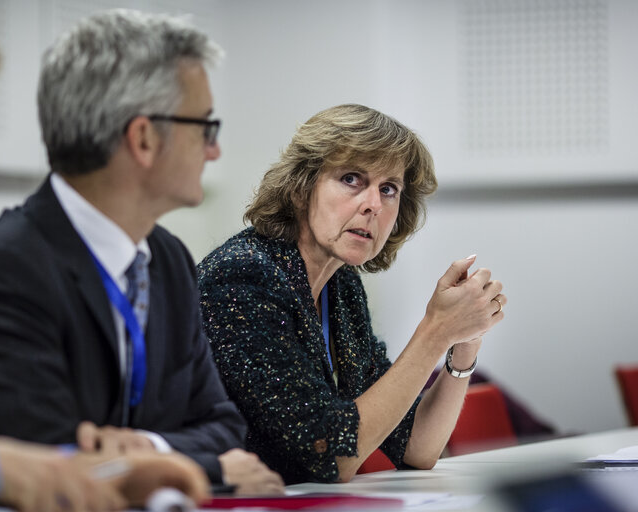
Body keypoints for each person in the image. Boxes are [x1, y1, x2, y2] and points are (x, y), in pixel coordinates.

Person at [0, 8, 283, 495]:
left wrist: (145, 448)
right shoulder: (0, 269)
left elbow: (223, 424)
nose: (214, 151)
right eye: (204, 127)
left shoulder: (167, 260)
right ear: (143, 138)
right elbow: (54, 464)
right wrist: (211, 469)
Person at [197, 104, 508, 484]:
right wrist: (436, 330)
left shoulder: (340, 287)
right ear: (300, 188)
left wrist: (464, 342)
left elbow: (417, 447)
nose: (373, 205)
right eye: (351, 179)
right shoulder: (243, 277)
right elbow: (332, 454)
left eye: (388, 189)